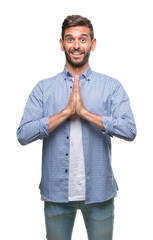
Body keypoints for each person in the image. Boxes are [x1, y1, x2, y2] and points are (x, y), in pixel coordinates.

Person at [17, 15, 136, 240]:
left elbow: (129, 130)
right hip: (56, 195)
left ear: (92, 44)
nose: (76, 45)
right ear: (62, 44)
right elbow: (23, 134)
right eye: (70, 39)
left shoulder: (111, 87)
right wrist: (65, 113)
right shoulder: (44, 89)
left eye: (83, 39)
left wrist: (85, 113)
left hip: (100, 194)